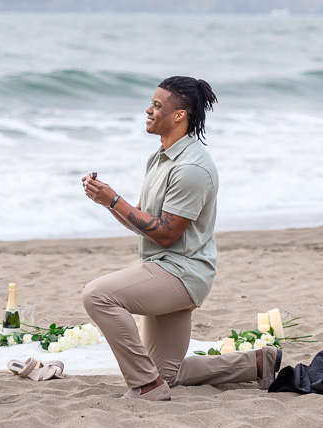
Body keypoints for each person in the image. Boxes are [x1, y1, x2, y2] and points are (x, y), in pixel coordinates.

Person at [81, 76, 281, 401]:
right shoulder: (160, 157)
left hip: (180, 274)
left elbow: (166, 234)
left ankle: (146, 387)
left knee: (98, 296)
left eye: (157, 106)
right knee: (167, 374)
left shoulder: (192, 168)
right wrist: (107, 201)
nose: (148, 110)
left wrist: (114, 199)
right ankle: (258, 363)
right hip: (164, 266)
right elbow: (146, 221)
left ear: (179, 116)